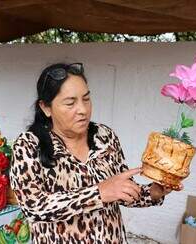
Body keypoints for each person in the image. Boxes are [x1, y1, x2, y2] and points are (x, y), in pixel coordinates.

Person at [10, 63, 175, 243]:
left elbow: (121, 192)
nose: (83, 110)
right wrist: (98, 193)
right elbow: (34, 208)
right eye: (70, 103)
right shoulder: (28, 146)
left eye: (86, 99)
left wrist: (153, 192)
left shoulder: (105, 137)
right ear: (46, 107)